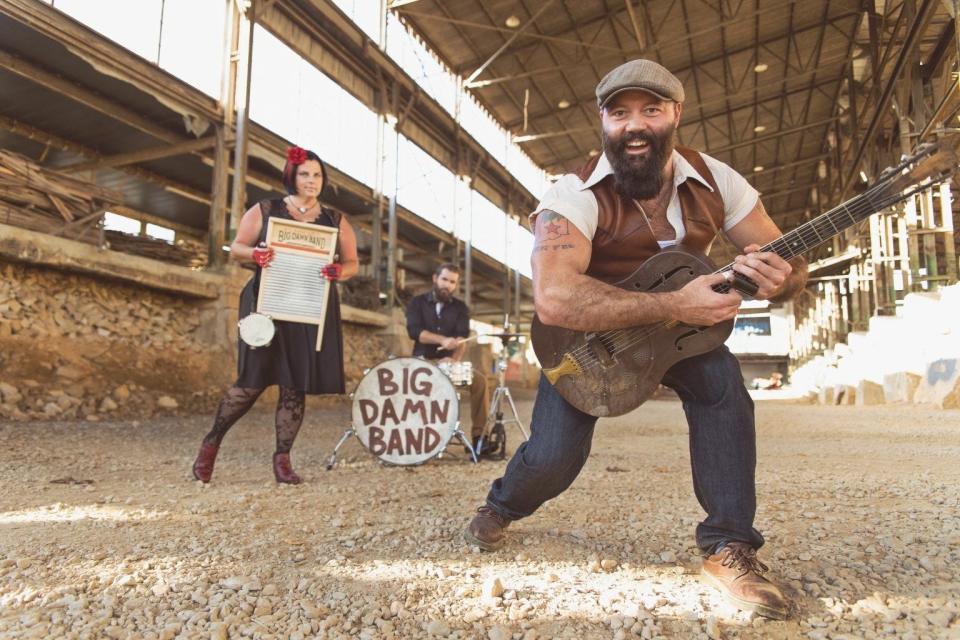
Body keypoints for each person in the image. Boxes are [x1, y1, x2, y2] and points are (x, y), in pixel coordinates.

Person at [463, 59, 808, 620]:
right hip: (586, 344)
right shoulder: (571, 194)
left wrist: (783, 276)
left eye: (650, 109)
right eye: (619, 113)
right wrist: (676, 302)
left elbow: (788, 261)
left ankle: (729, 545)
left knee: (724, 390)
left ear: (675, 113)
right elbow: (554, 299)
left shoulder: (719, 180)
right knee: (553, 459)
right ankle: (502, 504)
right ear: (603, 122)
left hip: (682, 339)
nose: (635, 125)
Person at [191, 146, 358, 484]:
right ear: (292, 176)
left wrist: (338, 270)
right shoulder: (266, 210)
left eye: (317, 175)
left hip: (310, 306)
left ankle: (283, 459)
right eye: (305, 174)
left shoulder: (335, 221)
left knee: (295, 386)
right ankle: (211, 443)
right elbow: (236, 247)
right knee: (249, 383)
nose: (312, 181)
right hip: (267, 304)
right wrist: (256, 253)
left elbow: (352, 263)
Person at [405, 263, 490, 453]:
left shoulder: (460, 307)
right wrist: (442, 340)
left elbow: (462, 338)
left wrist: (454, 360)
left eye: (452, 282)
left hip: (449, 364)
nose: (448, 285)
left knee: (480, 382)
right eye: (444, 279)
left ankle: (479, 438)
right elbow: (415, 332)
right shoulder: (416, 303)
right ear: (435, 279)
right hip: (422, 361)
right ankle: (417, 437)